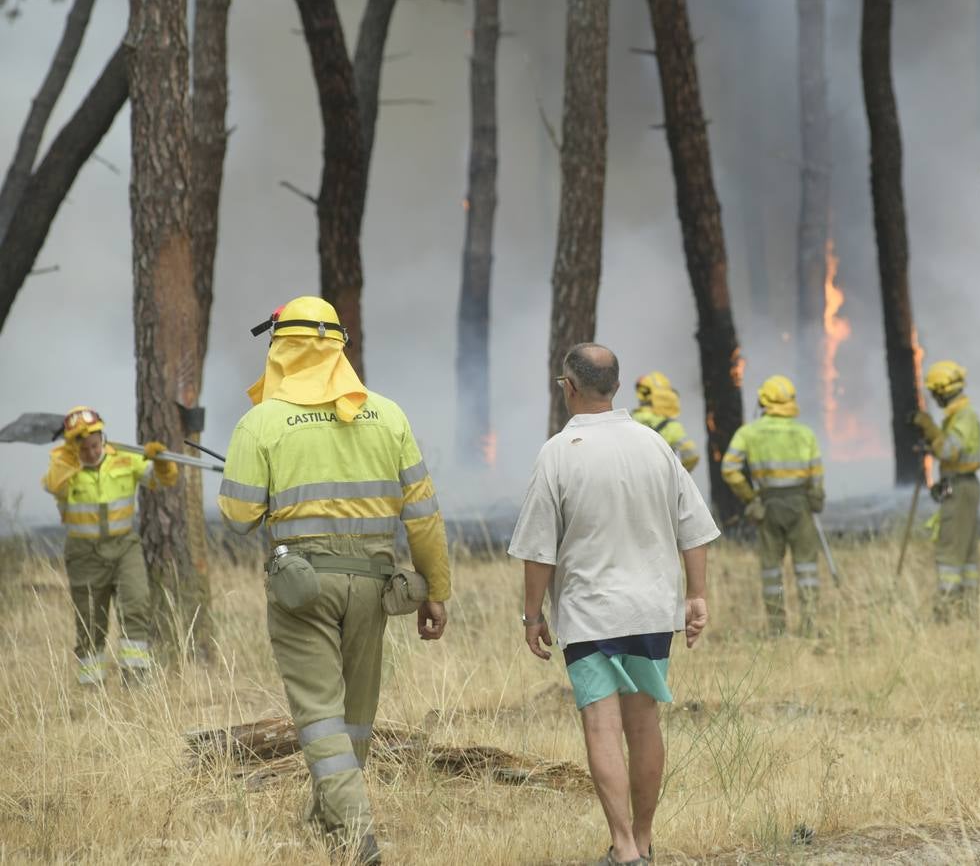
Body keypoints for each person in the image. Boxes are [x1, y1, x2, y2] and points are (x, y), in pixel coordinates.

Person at [217, 296, 452, 865]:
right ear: (338, 346)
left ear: (281, 348)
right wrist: (437, 590)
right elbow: (423, 516)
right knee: (355, 717)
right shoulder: (388, 415)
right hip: (375, 587)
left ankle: (356, 833)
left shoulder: (262, 421)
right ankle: (331, 819)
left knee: (321, 715)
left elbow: (238, 516)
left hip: (303, 589)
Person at [509, 343, 719, 866]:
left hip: (590, 614)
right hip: (651, 610)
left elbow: (538, 549)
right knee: (644, 723)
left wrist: (532, 615)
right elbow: (693, 528)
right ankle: (644, 839)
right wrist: (696, 595)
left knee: (602, 727)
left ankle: (623, 848)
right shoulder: (655, 445)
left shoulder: (559, 452)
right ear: (617, 387)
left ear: (569, 388)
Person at [42, 406, 178, 685]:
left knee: (136, 604)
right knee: (90, 620)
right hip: (84, 555)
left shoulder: (124, 458)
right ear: (73, 446)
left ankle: (136, 681)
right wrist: (68, 454)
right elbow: (53, 486)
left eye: (95, 445)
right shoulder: (64, 466)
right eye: (84, 448)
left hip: (124, 547)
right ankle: (92, 690)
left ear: (102, 437)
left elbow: (161, 480)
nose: (91, 452)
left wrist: (163, 463)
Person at [720, 375, 825, 635]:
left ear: (763, 401)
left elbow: (729, 468)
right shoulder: (805, 433)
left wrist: (750, 498)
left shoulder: (749, 432)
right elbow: (816, 474)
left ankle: (777, 629)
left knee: (771, 569)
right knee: (807, 566)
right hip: (801, 505)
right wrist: (816, 499)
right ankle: (810, 626)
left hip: (767, 505)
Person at [910, 360, 980, 621]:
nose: (934, 398)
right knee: (966, 554)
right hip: (960, 484)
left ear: (944, 390)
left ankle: (946, 612)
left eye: (935, 393)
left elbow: (949, 450)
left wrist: (929, 430)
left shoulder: (964, 417)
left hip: (961, 488)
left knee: (949, 550)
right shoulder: (957, 416)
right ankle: (967, 610)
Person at [631, 371, 700, 472]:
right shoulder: (672, 427)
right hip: (661, 480)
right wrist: (678, 475)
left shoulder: (628, 420)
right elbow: (692, 455)